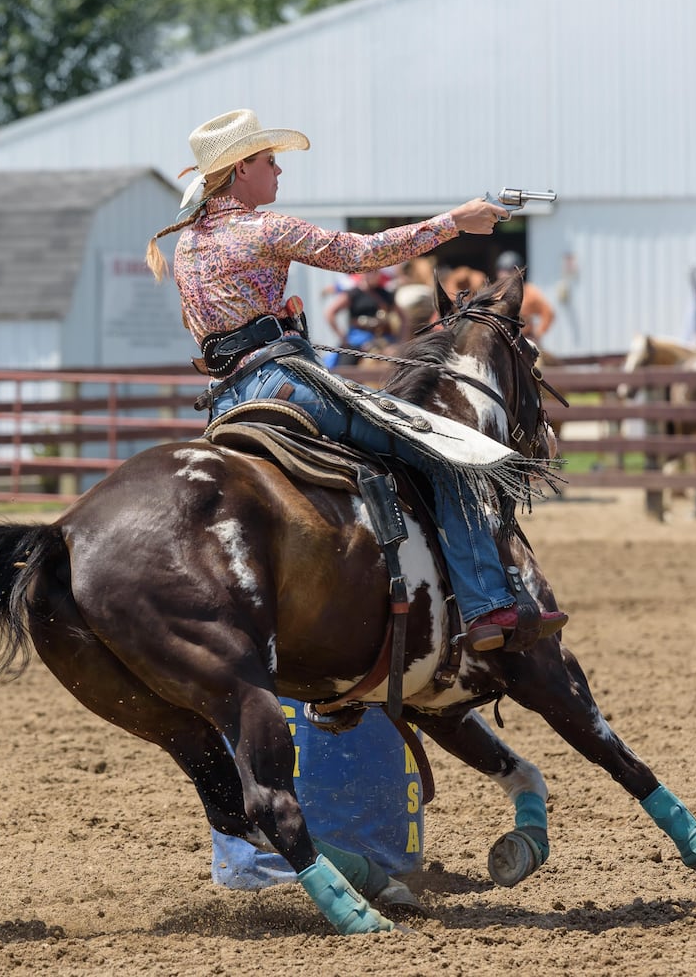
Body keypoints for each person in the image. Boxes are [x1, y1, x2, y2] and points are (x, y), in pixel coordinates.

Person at [145, 108, 566, 652]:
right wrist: (454, 222)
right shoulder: (263, 229)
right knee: (442, 452)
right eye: (271, 161)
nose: (279, 171)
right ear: (242, 167)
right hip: (284, 383)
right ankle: (488, 604)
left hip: (227, 401)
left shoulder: (188, 244)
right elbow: (360, 254)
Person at [323, 269, 404, 366]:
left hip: (383, 339)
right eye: (370, 272)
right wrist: (343, 338)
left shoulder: (386, 294)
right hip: (358, 340)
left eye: (375, 272)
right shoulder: (353, 293)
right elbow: (330, 313)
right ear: (363, 274)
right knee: (344, 369)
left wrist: (400, 341)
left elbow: (404, 318)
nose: (373, 275)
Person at [496, 252, 556, 347]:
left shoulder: (529, 292)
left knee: (538, 361)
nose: (504, 275)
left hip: (525, 342)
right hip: (503, 343)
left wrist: (538, 332)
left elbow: (548, 312)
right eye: (502, 271)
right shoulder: (496, 294)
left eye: (509, 271)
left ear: (518, 272)